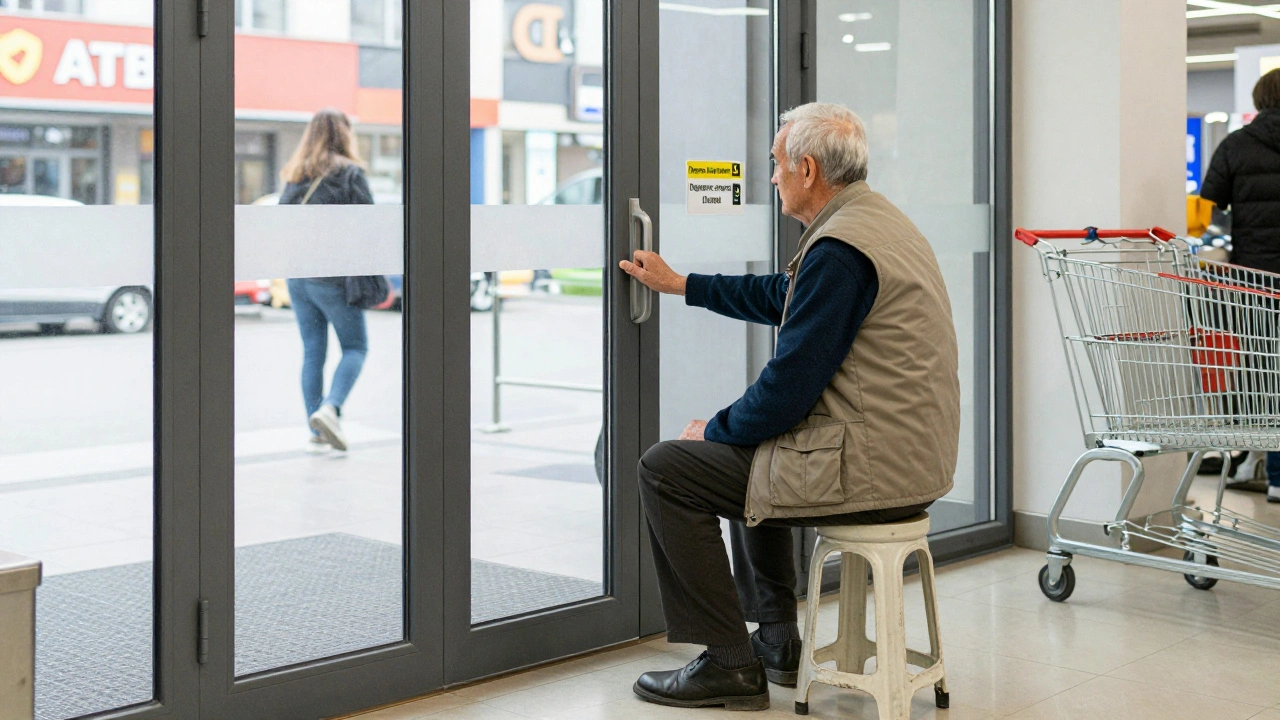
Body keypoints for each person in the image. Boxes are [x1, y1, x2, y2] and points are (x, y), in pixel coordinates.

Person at [618, 102, 960, 711]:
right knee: (754, 453)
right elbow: (786, 295)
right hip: (910, 454)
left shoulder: (839, 250)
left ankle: (729, 663)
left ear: (806, 169)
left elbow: (787, 390)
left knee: (669, 469)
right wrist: (683, 285)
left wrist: (713, 430)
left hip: (877, 467)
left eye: (775, 165)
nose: (770, 178)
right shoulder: (874, 224)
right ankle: (775, 643)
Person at [1200, 69, 1280, 502]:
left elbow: (1211, 210)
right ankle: (1272, 470)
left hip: (1255, 279)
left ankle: (1254, 455)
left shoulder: (1236, 144)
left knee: (1258, 370)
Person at [279, 108, 374, 453]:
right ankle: (330, 409)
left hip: (299, 277)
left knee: (313, 351)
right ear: (344, 134)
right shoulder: (349, 173)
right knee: (355, 347)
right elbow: (368, 227)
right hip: (332, 278)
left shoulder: (295, 174)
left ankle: (316, 428)